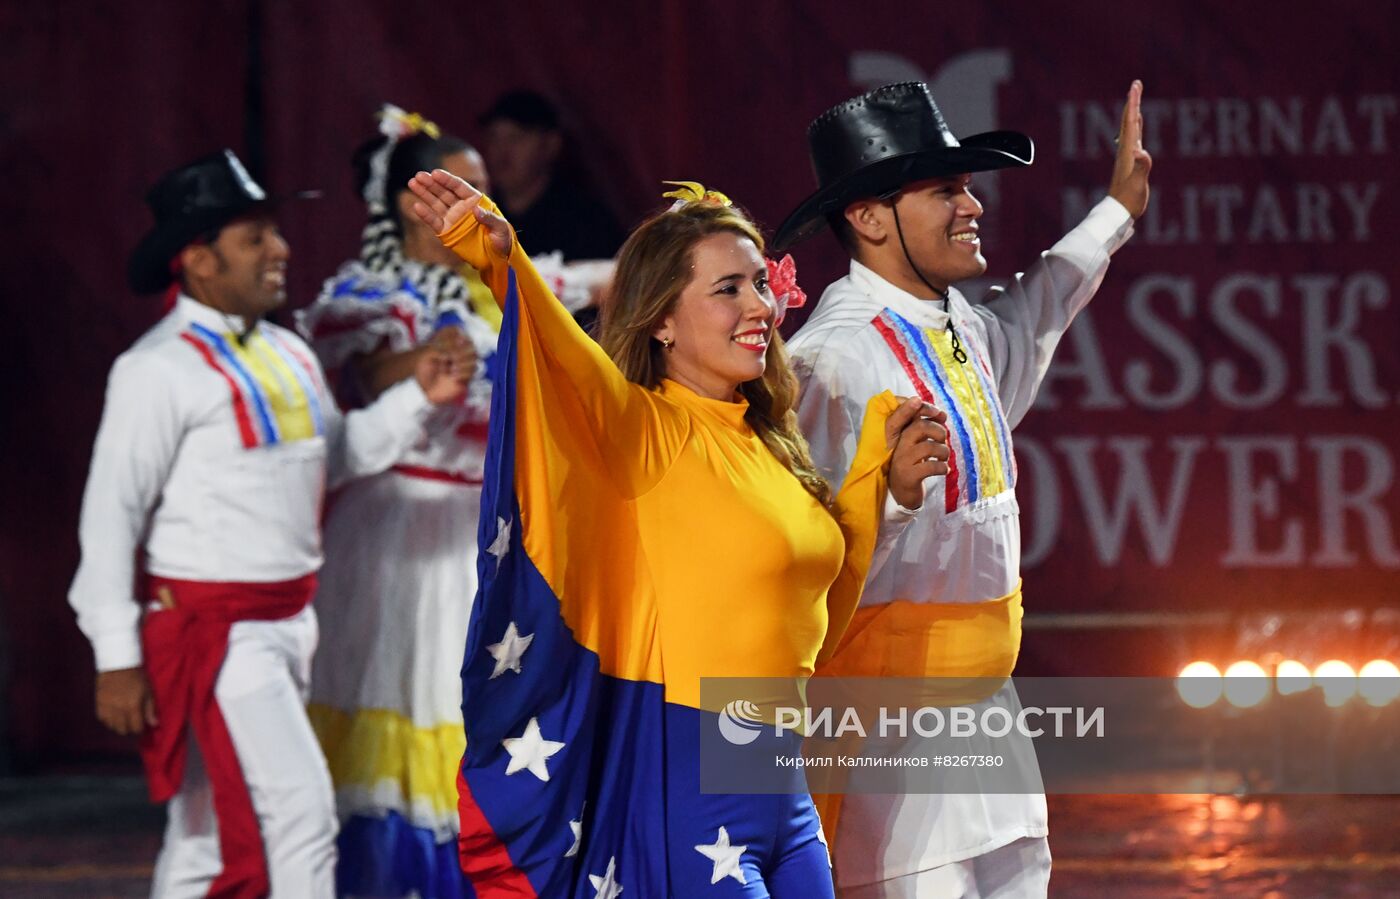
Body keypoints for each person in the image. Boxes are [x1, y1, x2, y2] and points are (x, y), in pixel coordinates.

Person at [404, 171, 950, 897]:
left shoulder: (771, 441)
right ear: (662, 319)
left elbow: (816, 620)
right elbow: (561, 356)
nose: (761, 306)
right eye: (728, 289)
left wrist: (877, 480)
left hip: (781, 784)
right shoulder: (644, 429)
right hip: (688, 782)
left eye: (761, 283)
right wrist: (502, 260)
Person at [775, 81, 1152, 898]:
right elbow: (793, 564)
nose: (972, 205)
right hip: (890, 744)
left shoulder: (958, 327)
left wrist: (1116, 211)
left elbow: (1040, 304)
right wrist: (889, 501)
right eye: (946, 189)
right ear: (870, 218)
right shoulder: (832, 360)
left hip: (988, 719)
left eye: (969, 187)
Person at [68, 149, 473, 897]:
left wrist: (421, 394)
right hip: (220, 632)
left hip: (290, 621)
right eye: (255, 238)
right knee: (302, 815)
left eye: (273, 233)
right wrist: (115, 653)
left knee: (202, 836)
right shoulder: (155, 369)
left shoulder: (287, 352)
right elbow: (110, 517)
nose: (282, 249)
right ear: (198, 260)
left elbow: (339, 456)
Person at [296, 104, 505, 899]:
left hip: (476, 532)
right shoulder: (376, 296)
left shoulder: (496, 292)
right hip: (398, 533)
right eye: (466, 188)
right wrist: (420, 366)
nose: (485, 205)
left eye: (488, 190)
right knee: (403, 702)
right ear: (419, 203)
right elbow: (369, 379)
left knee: (466, 713)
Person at [479, 89, 626, 333]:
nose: (502, 152)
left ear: (551, 144)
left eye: (516, 138)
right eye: (494, 138)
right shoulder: (478, 214)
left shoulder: (586, 219)